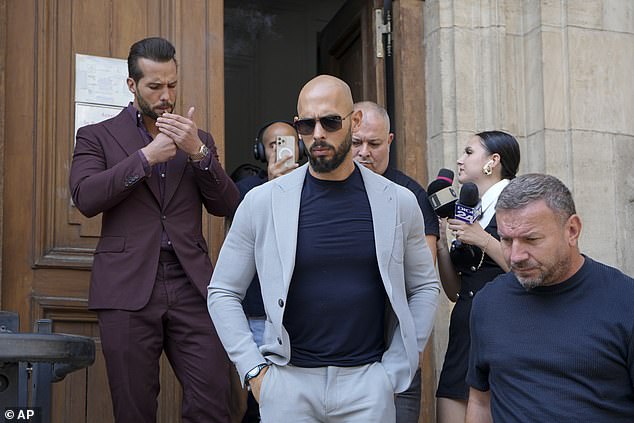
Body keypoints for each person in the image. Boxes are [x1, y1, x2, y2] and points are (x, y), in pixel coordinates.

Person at [208, 74, 439, 423]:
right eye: (306, 124)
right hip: (288, 385)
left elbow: (424, 286)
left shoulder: (398, 202)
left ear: (354, 121)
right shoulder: (262, 202)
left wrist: (395, 368)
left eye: (330, 121)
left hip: (368, 384)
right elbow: (223, 290)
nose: (317, 134)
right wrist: (254, 371)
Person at [69, 37, 239, 423]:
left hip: (191, 285)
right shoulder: (96, 136)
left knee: (213, 404)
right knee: (134, 410)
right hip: (126, 287)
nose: (166, 96)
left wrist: (198, 153)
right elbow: (86, 197)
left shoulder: (199, 140)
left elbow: (227, 206)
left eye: (172, 85)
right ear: (132, 85)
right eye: (155, 86)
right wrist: (145, 158)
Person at [466, 173, 634, 422]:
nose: (515, 256)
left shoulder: (625, 301)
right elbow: (480, 401)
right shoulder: (488, 302)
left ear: (572, 230)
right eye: (506, 240)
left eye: (531, 239)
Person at [351, 101, 440, 423]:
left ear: (389, 141)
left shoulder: (410, 195)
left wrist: (409, 351)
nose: (364, 152)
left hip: (393, 343)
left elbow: (423, 282)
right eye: (356, 142)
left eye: (373, 144)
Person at [435, 131, 520, 423]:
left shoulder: (517, 202)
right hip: (463, 332)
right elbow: (455, 291)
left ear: (492, 161)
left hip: (503, 332)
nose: (460, 160)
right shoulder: (470, 208)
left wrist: (482, 239)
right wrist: (442, 247)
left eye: (469, 152)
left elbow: (526, 271)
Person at [236, 120, 303, 423]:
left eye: (286, 143)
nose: (280, 150)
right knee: (261, 399)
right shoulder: (249, 189)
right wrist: (272, 185)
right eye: (272, 144)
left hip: (302, 309)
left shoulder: (315, 184)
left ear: (300, 147)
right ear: (260, 151)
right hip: (259, 313)